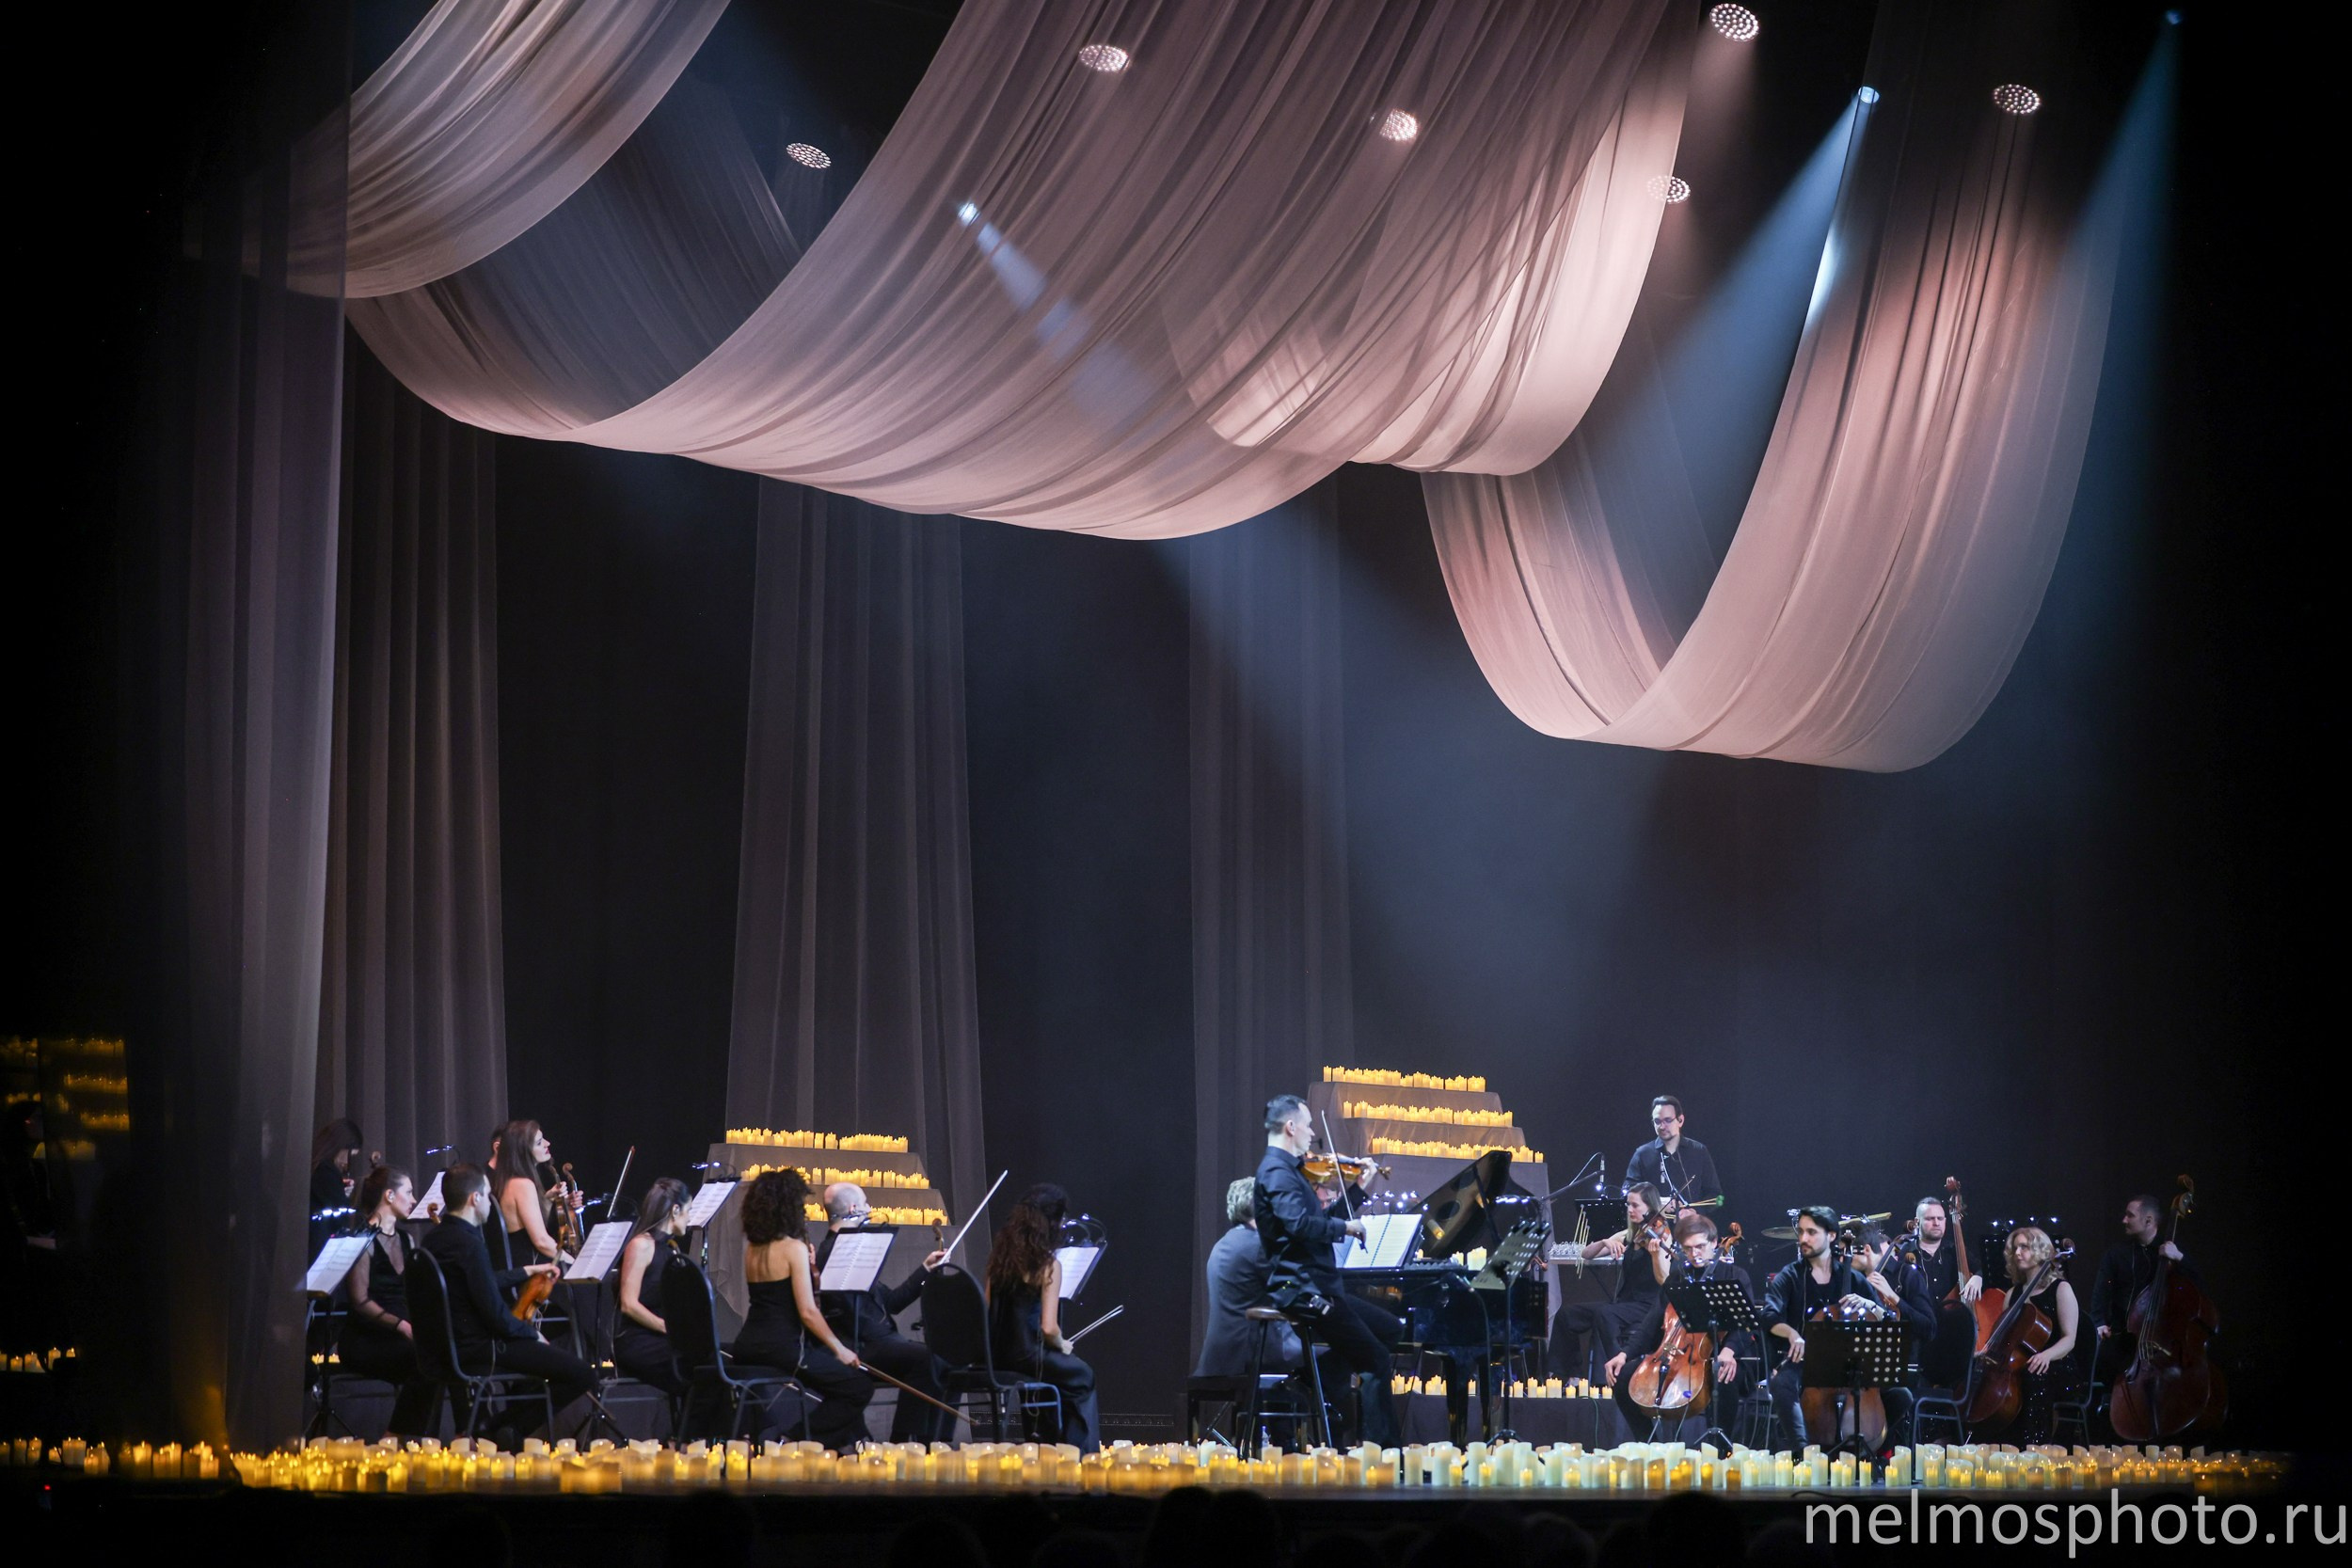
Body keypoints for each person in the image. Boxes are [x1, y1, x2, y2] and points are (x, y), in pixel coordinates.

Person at [1253, 1096, 1400, 1447]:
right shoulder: (1276, 1172)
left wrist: (1358, 1191)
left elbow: (1315, 1221)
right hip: (1303, 1288)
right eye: (1308, 1125)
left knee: (1390, 1329)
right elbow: (1300, 1225)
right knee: (1375, 1359)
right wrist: (1346, 1229)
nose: (1313, 1132)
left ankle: (1303, 1384)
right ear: (1291, 1127)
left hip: (1318, 1285)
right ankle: (1384, 1455)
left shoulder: (1288, 1173)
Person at [419, 1164, 597, 1447]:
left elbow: (481, 1282)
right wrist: (532, 1334)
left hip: (445, 1347)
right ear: (474, 1199)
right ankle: (502, 1428)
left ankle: (500, 1429)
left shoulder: (432, 1240)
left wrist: (525, 1271)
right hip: (481, 1349)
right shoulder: (470, 1244)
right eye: (488, 1196)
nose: (492, 1206)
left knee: (540, 1369)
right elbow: (496, 1315)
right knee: (583, 1373)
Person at [732, 1167, 874, 1450]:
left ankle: (819, 1444)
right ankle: (793, 1442)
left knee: (840, 1383)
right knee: (857, 1387)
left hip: (747, 1344)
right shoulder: (792, 1247)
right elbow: (807, 1311)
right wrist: (838, 1348)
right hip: (783, 1348)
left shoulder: (753, 1248)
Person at [817, 1181, 952, 1442]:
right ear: (854, 1208)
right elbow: (848, 1314)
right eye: (867, 1203)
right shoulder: (835, 1252)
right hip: (860, 1345)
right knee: (929, 1359)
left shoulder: (854, 1248)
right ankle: (903, 1440)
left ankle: (930, 1442)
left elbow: (891, 1303)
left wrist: (925, 1270)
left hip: (878, 1340)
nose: (870, 1209)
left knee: (941, 1361)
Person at [1604, 1212, 1756, 1443]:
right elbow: (1652, 1323)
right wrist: (1624, 1355)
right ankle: (1649, 1445)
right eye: (1687, 1249)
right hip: (1678, 1354)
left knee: (1723, 1373)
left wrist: (1729, 1350)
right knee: (1622, 1376)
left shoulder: (1734, 1275)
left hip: (1724, 1355)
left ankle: (1720, 1448)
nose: (1694, 1255)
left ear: (1714, 1243)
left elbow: (1745, 1324)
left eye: (1700, 1247)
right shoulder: (1677, 1278)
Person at [986, 1183, 1102, 1452]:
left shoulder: (998, 1260)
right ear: (1051, 1223)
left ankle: (1043, 1445)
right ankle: (1077, 1453)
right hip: (1027, 1354)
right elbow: (1048, 1327)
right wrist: (1062, 1345)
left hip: (996, 1355)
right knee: (1082, 1375)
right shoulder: (1049, 1265)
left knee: (1055, 1374)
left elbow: (988, 1308)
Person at [334, 1164, 437, 1436]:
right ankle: (393, 1438)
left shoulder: (406, 1240)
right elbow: (359, 1300)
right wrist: (401, 1326)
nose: (415, 1200)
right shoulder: (362, 1239)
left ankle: (429, 1440)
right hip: (365, 1340)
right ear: (390, 1196)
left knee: (437, 1357)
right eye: (410, 1192)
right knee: (424, 1361)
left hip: (398, 1335)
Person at [1760, 1207, 1874, 1447]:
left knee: (1901, 1396)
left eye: (1811, 1232)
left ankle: (1872, 1449)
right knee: (1782, 1384)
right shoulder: (1790, 1275)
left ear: (1831, 1236)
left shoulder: (1852, 1278)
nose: (1803, 1239)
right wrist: (1792, 1334)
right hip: (1806, 1363)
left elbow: (1881, 1318)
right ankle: (1802, 1452)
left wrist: (1870, 1305)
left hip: (1847, 1365)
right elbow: (1769, 1315)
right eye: (1800, 1232)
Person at [1551, 1183, 1672, 1378]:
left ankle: (1619, 1371)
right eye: (1628, 1204)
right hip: (1625, 1304)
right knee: (1567, 1314)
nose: (1629, 1209)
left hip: (1647, 1306)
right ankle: (1567, 1376)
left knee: (1606, 1314)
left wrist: (1656, 1256)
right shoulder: (1630, 1234)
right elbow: (1586, 1254)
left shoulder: (1663, 1237)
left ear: (1650, 1208)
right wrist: (1604, 1242)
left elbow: (1663, 1280)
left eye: (1635, 1205)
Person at [2089, 1193, 2200, 1397]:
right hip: (2123, 1336)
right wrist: (2098, 1322)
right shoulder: (2115, 1254)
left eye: (2130, 1216)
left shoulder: (2172, 1250)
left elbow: (2198, 1283)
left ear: (2148, 1220)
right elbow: (2101, 1292)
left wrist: (2179, 1258)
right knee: (2101, 1366)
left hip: (2163, 1338)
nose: (2124, 1220)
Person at [1196, 1177, 1301, 1379]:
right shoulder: (1258, 1246)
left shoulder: (1225, 1242)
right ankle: (1319, 1410)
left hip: (1222, 1355)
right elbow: (1288, 1289)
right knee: (1338, 1353)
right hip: (1255, 1353)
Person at [1852, 1222, 1935, 1449]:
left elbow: (1928, 1327)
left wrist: (1893, 1297)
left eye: (1851, 1251)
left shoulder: (1907, 1275)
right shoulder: (1855, 1281)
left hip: (1902, 1365)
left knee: (1893, 1393)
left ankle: (1878, 1449)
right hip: (1861, 1364)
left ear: (1866, 1250)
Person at [1996, 1225, 2081, 1445]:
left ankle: (2035, 1448)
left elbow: (2069, 1339)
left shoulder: (2061, 1289)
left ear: (2041, 1251)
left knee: (2033, 1376)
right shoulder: (2012, 1294)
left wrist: (2046, 1356)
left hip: (2056, 1363)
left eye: (2024, 1247)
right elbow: (2003, 1338)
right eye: (2015, 1248)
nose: (2018, 1253)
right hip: (2022, 1363)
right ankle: (1998, 1445)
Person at [612, 1176, 691, 1402]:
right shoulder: (641, 1245)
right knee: (697, 1366)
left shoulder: (671, 1249)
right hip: (636, 1341)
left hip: (661, 1339)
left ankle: (692, 1433)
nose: (690, 1217)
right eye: (688, 1210)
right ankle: (689, 1435)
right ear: (675, 1210)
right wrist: (670, 1329)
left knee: (711, 1363)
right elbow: (629, 1304)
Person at [1901, 1195, 1982, 1389]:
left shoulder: (1954, 1251)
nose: (1936, 1223)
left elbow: (1980, 1269)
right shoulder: (1905, 1253)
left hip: (1952, 1337)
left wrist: (1979, 1277)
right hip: (1919, 1337)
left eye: (1940, 1218)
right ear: (1917, 1222)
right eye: (1930, 1219)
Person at [491, 1119, 571, 1271]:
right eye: (540, 1142)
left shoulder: (509, 1180)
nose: (547, 1144)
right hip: (531, 1273)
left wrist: (548, 1200)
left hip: (524, 1267)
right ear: (523, 1151)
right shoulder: (522, 1184)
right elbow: (541, 1241)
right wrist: (575, 1263)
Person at [1622, 1097, 1724, 1212]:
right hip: (1654, 1227)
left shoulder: (1699, 1151)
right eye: (1657, 1121)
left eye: (1668, 1120)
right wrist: (1656, 1202)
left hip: (1690, 1226)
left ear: (1680, 1120)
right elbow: (1627, 1192)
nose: (1662, 1126)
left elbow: (1716, 1196)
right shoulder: (1642, 1154)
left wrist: (1695, 1212)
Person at [308, 1117, 364, 1258]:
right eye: (350, 1156)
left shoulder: (316, 1167)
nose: (347, 1163)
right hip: (319, 1247)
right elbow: (341, 1215)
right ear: (340, 1147)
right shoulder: (326, 1170)